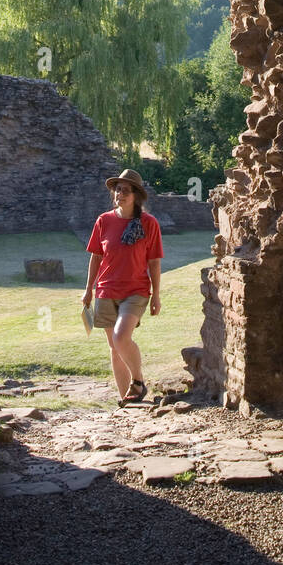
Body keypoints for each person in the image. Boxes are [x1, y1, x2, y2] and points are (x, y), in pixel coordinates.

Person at [82, 169, 163, 405]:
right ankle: (127, 400)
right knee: (114, 348)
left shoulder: (149, 224)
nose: (120, 193)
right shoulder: (104, 221)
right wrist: (88, 290)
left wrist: (156, 296)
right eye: (118, 189)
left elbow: (154, 262)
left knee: (121, 337)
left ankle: (138, 382)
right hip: (106, 290)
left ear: (136, 195)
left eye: (126, 190)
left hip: (136, 291)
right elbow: (96, 257)